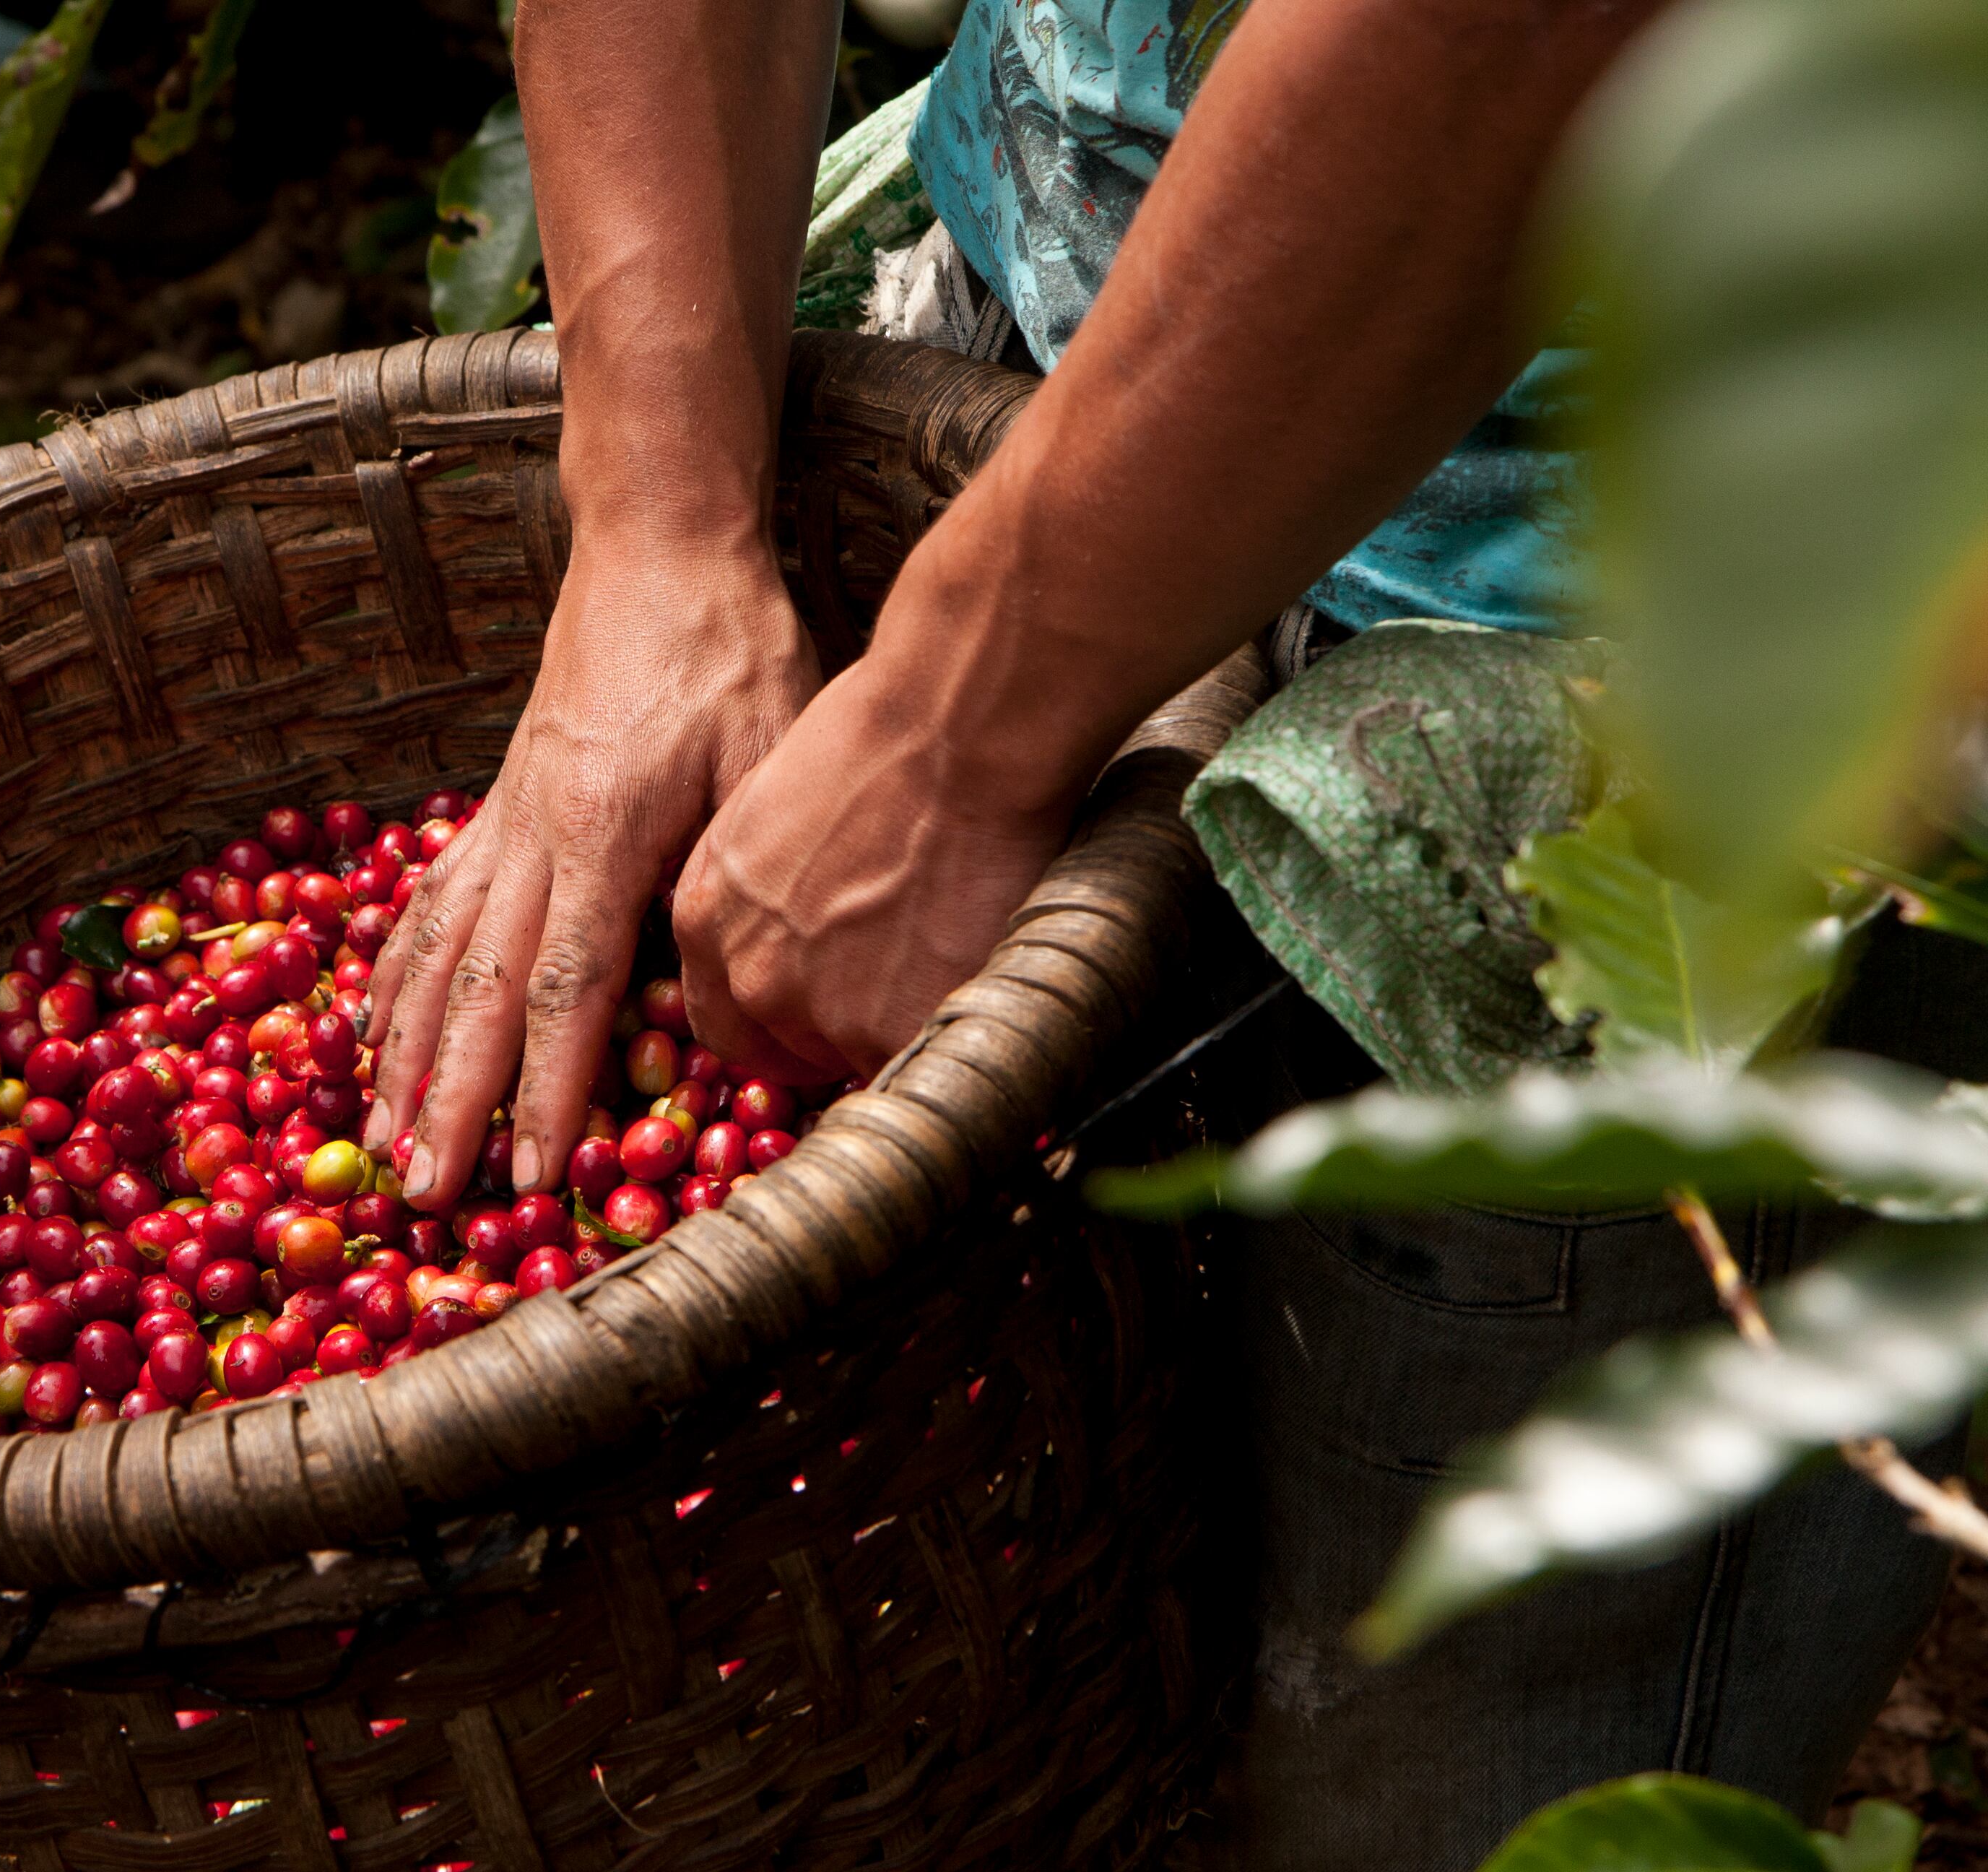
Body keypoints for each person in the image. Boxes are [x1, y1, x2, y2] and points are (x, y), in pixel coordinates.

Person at [354, 2, 1961, 1864]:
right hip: (1068, 332)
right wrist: (657, 525)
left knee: (1460, 1777)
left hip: (1631, 635)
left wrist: (951, 732)